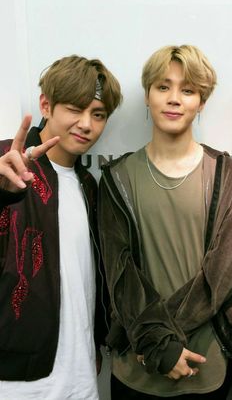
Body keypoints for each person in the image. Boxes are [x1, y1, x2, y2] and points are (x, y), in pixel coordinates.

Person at [98, 45, 232, 399]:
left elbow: (221, 276)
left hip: (206, 366)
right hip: (136, 370)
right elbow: (119, 273)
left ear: (201, 102)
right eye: (163, 87)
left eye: (187, 90)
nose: (174, 99)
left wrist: (160, 342)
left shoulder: (227, 175)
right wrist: (161, 347)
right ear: (147, 95)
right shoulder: (116, 178)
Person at [0, 54, 122, 400]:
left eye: (98, 115)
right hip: (17, 381)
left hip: (80, 375)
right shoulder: (8, 166)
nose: (86, 124)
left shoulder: (89, 184)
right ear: (46, 105)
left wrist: (97, 340)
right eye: (74, 108)